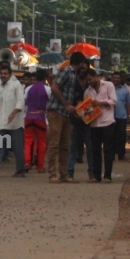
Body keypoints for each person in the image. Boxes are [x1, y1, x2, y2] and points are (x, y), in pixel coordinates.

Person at [46, 52, 87, 183]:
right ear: (80, 63)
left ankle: (63, 174)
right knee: (54, 143)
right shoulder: (65, 71)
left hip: (66, 113)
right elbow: (54, 88)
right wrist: (66, 104)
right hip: (56, 110)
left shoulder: (74, 75)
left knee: (65, 145)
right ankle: (52, 174)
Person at [84, 69, 117, 183]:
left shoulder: (108, 85)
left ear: (96, 76)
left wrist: (100, 103)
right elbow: (86, 109)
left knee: (108, 150)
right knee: (95, 151)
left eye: (90, 79)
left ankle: (107, 175)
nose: (89, 82)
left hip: (108, 122)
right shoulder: (87, 91)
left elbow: (113, 101)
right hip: (94, 124)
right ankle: (97, 176)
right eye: (87, 80)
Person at [24, 69, 50, 173]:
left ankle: (27, 162)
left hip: (29, 117)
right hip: (41, 117)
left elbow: (24, 102)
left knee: (27, 141)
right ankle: (40, 166)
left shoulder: (28, 89)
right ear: (45, 78)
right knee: (42, 142)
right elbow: (50, 103)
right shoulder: (47, 89)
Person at [112, 72, 130, 161]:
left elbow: (128, 103)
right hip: (110, 116)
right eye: (114, 77)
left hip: (122, 116)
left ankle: (121, 155)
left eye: (118, 78)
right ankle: (111, 155)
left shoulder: (125, 90)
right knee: (111, 136)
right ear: (111, 78)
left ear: (120, 79)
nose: (116, 79)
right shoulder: (108, 88)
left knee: (121, 136)